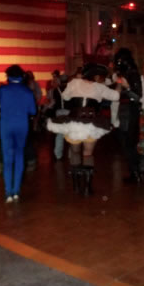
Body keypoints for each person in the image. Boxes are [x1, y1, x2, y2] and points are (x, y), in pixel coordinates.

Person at [47, 63, 121, 195]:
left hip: (75, 123)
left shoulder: (74, 83)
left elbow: (65, 97)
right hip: (91, 125)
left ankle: (76, 185)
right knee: (88, 154)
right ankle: (87, 186)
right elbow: (116, 96)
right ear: (95, 75)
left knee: (75, 152)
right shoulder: (99, 87)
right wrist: (119, 84)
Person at [0, 65, 37, 203]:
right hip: (22, 125)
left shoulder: (2, 89)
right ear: (21, 76)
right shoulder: (27, 91)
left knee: (7, 158)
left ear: (8, 76)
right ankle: (16, 191)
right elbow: (33, 111)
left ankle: (8, 192)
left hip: (6, 125)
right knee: (19, 156)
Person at [114, 48, 143, 184]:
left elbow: (137, 96)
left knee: (129, 143)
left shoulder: (133, 73)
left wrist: (127, 87)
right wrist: (120, 88)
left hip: (130, 111)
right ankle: (134, 172)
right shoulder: (126, 73)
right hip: (125, 111)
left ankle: (136, 173)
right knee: (126, 143)